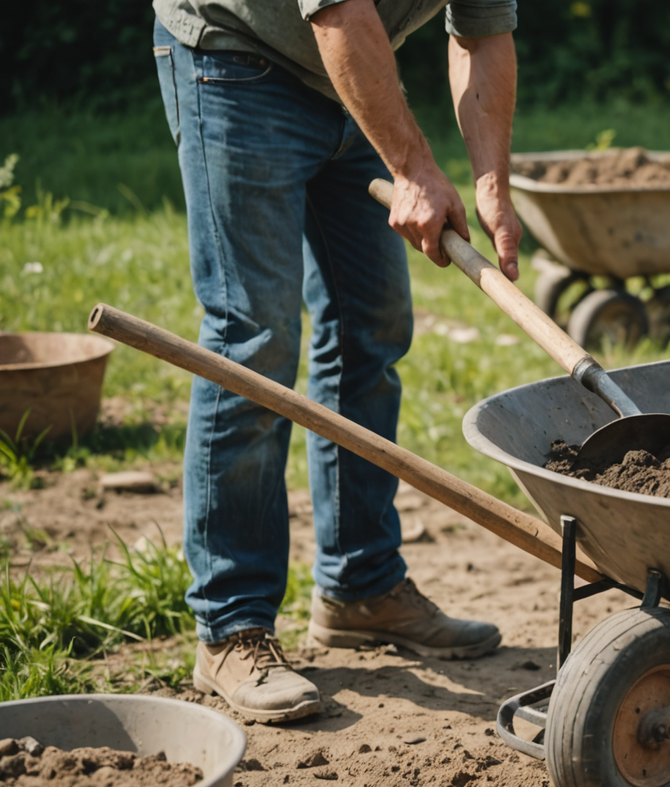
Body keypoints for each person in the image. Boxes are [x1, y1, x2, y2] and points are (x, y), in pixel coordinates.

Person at [152, 0, 525, 723]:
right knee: (253, 338)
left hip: (350, 74)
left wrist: (491, 184)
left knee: (372, 325)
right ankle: (231, 626)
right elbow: (337, 11)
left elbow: (482, 34)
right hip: (236, 58)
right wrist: (414, 165)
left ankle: (361, 585)